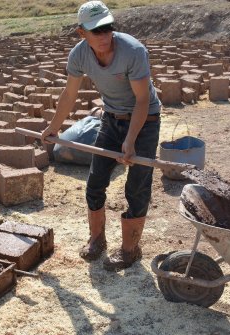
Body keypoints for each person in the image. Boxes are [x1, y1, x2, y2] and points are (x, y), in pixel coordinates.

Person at [41, 0, 162, 271]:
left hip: (145, 121)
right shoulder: (79, 55)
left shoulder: (133, 51)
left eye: (108, 28)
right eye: (96, 31)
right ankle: (97, 240)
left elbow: (142, 101)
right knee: (95, 182)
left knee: (137, 186)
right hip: (111, 118)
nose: (104, 36)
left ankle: (130, 249)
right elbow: (69, 94)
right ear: (81, 32)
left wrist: (130, 141)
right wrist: (53, 126)